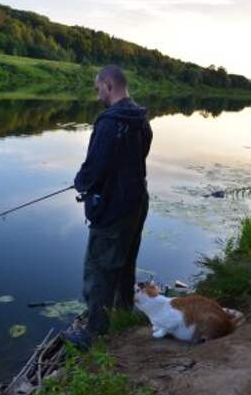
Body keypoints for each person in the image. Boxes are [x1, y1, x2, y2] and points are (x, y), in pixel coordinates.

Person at [65, 65, 152, 347]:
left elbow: (94, 169)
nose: (97, 94)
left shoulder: (109, 122)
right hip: (137, 202)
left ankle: (94, 332)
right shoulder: (141, 119)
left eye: (97, 88)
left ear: (108, 85)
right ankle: (123, 313)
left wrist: (80, 182)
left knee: (100, 268)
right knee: (125, 261)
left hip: (113, 208)